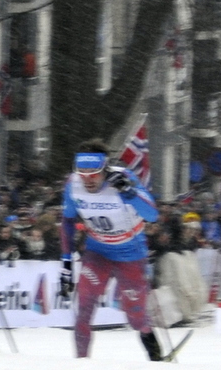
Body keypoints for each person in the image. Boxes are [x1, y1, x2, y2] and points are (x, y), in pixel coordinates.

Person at [59, 140, 163, 359]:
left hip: (130, 254)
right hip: (98, 253)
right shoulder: (73, 185)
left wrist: (129, 192)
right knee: (83, 311)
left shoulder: (124, 178)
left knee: (136, 318)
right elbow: (67, 221)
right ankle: (80, 365)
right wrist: (66, 263)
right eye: (82, 172)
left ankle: (156, 357)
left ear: (104, 168)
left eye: (94, 173)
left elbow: (153, 215)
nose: (87, 179)